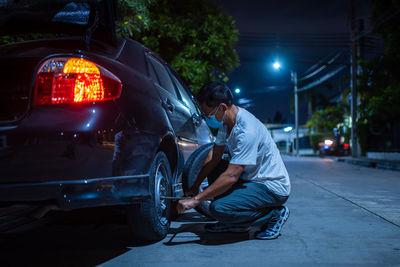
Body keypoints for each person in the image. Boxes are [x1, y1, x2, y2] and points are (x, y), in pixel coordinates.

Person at [177, 82, 291, 240]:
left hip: (271, 186)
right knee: (217, 169)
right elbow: (214, 155)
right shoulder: (227, 122)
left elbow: (231, 176)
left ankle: (274, 214)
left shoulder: (246, 131)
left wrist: (194, 201)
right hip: (251, 180)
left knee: (218, 208)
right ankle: (236, 223)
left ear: (222, 107)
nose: (206, 118)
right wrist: (196, 185)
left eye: (207, 114)